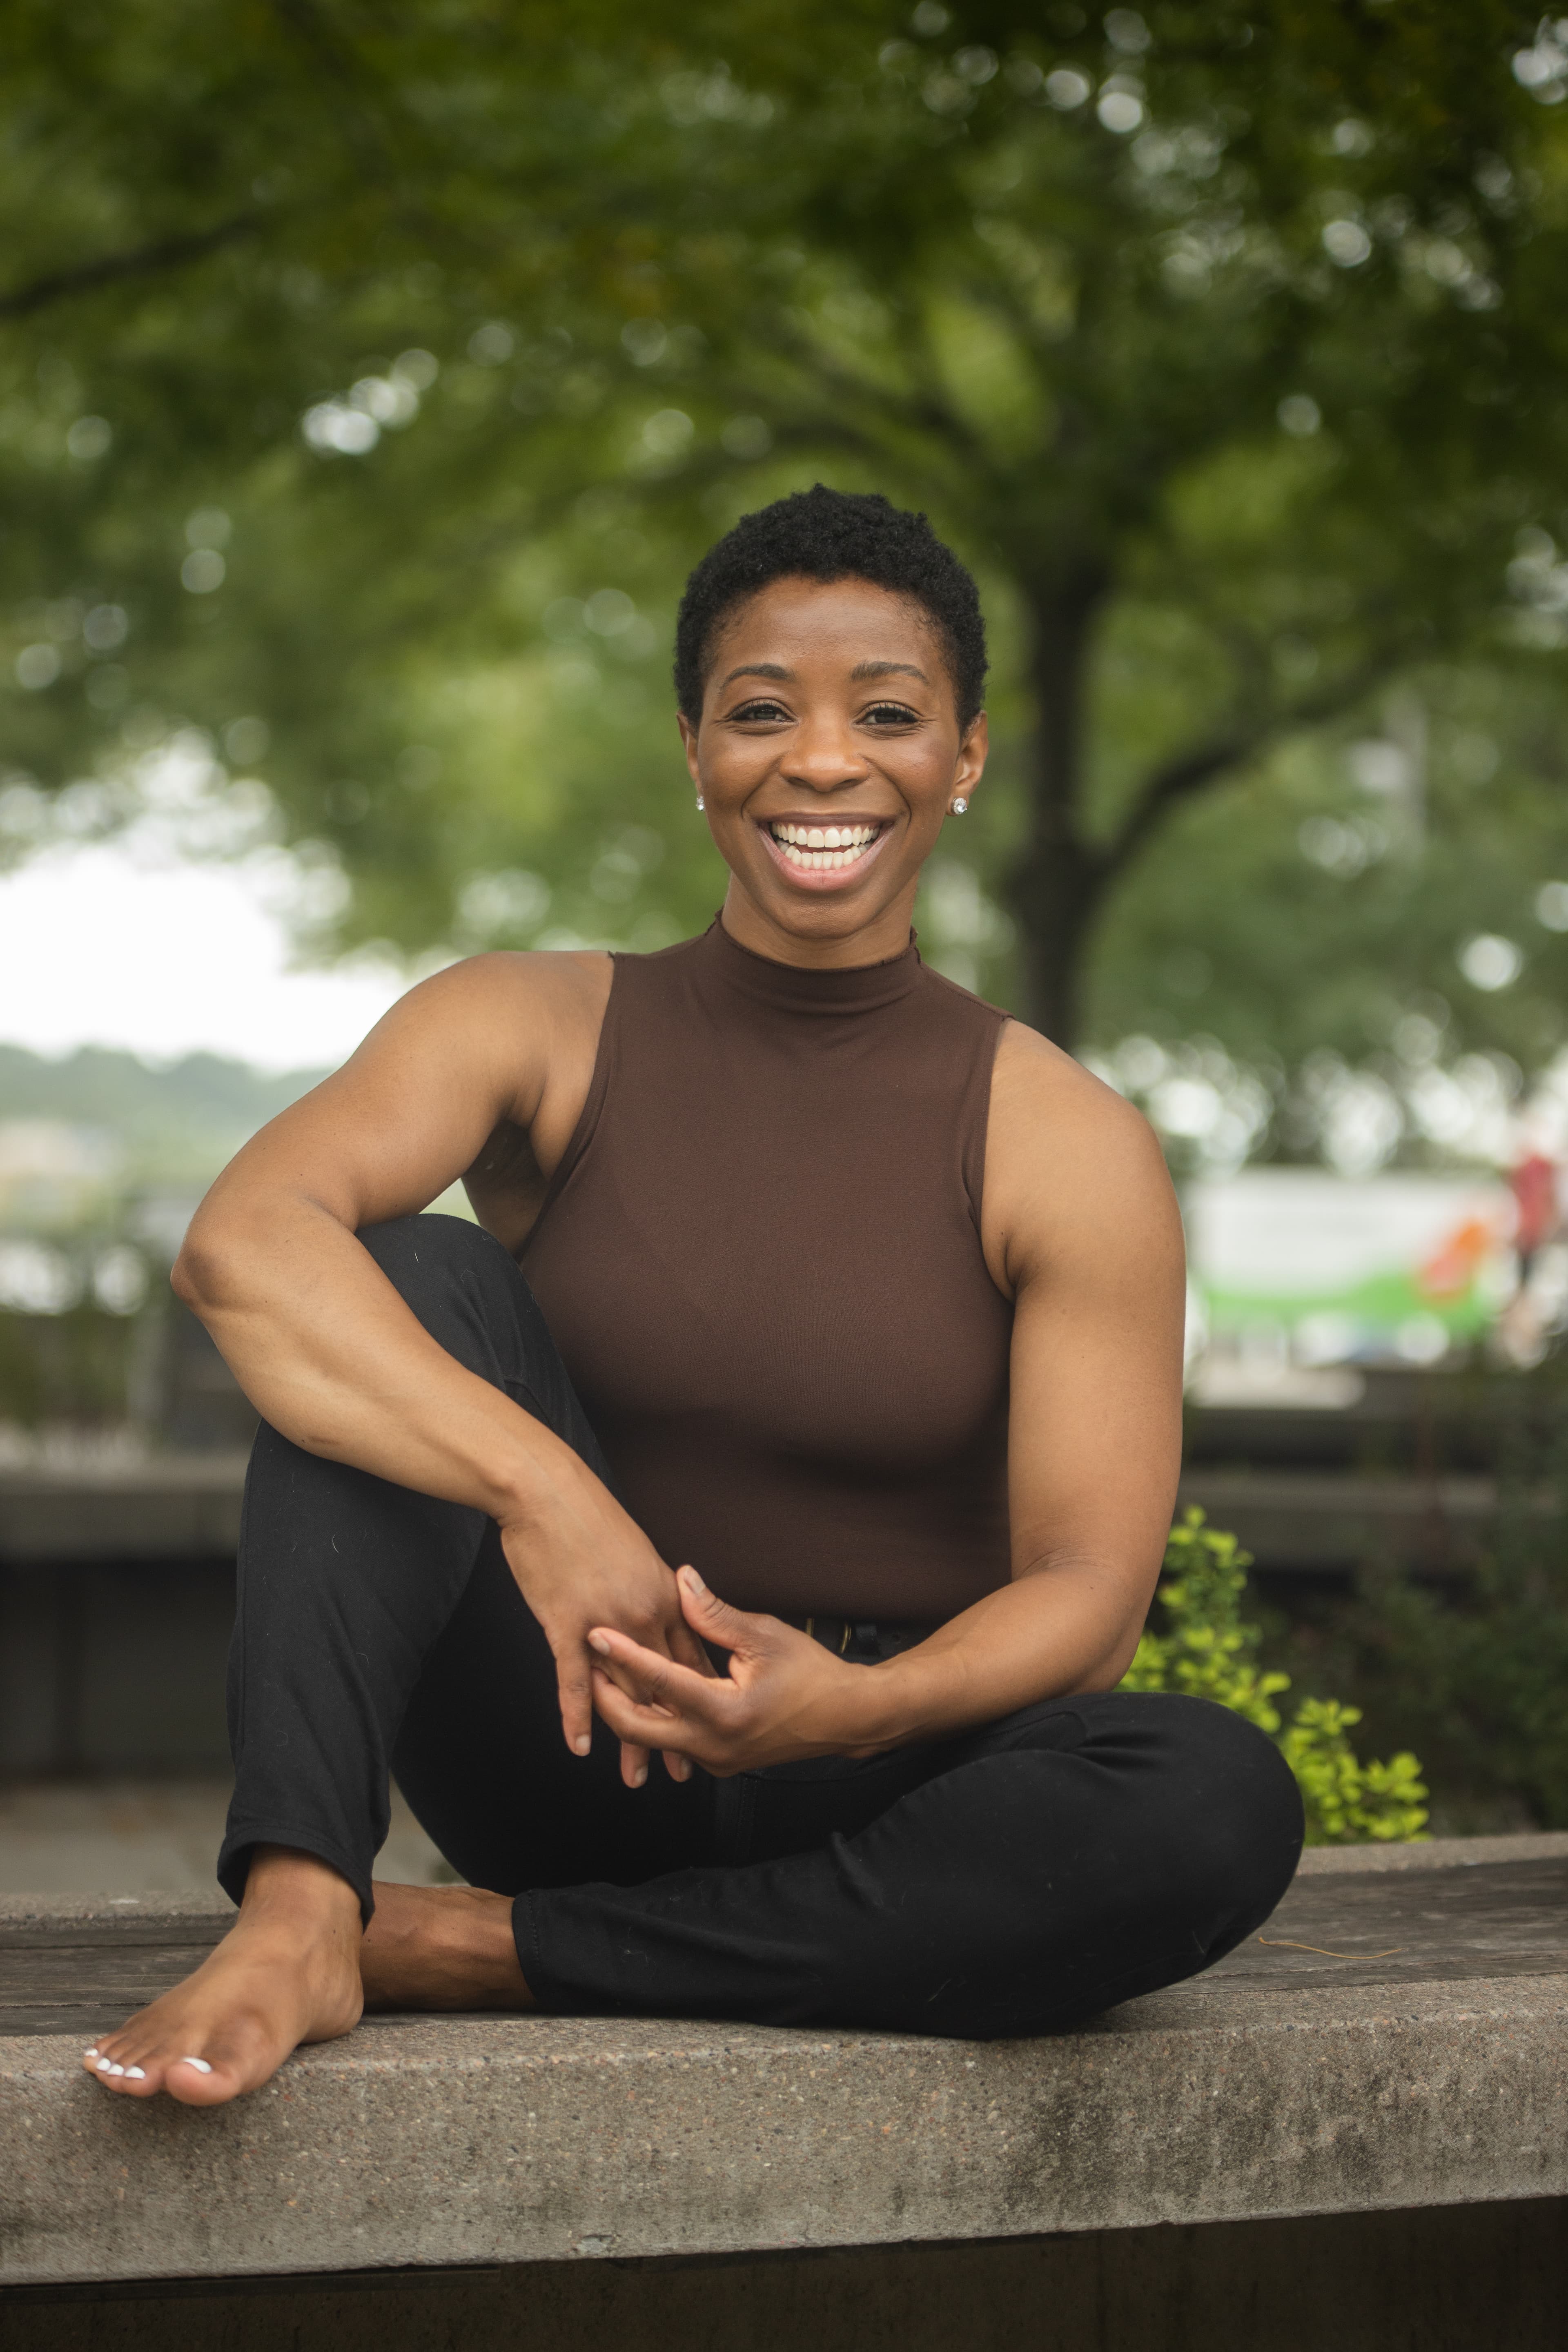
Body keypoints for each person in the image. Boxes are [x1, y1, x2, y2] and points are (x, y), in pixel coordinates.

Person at [83, 486, 1303, 2107]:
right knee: (408, 1274)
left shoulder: (1066, 1143)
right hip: (589, 1731)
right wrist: (547, 1495)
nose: (821, 760)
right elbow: (247, 1243)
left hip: (888, 1777)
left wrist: (853, 1707)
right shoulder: (528, 1024)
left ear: (966, 756)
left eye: (886, 714)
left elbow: (1087, 1594)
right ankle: (305, 1907)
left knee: (1211, 1797)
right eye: (760, 713)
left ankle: (478, 1949)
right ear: (694, 751)